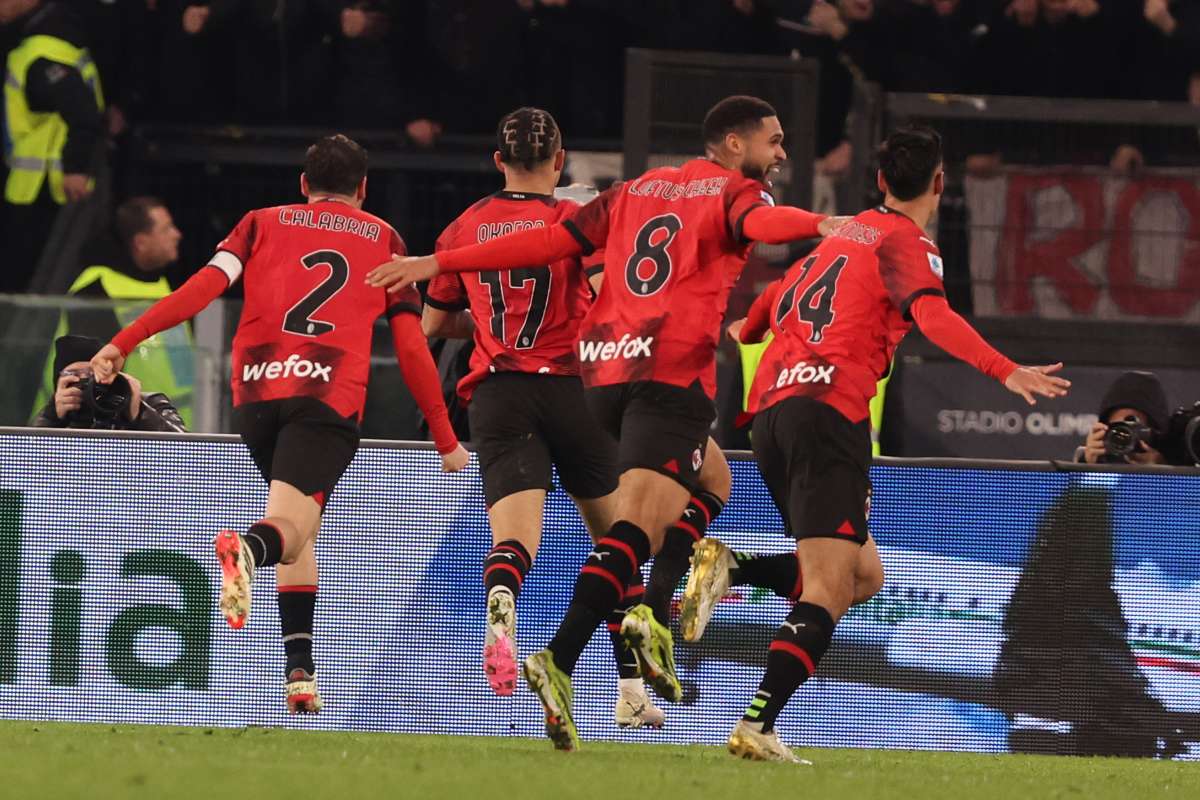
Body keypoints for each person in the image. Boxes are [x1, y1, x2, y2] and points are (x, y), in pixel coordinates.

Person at [368, 94, 847, 750]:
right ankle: (584, 651)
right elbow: (765, 228)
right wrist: (822, 225)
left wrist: (439, 262)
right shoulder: (735, 193)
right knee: (630, 535)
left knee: (702, 485)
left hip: (588, 379)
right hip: (648, 374)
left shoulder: (631, 190)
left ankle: (633, 646)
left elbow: (538, 246)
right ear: (734, 145)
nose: (782, 152)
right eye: (775, 140)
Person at [708, 125, 1069, 762]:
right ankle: (757, 723)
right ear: (938, 183)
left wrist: (748, 327)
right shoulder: (909, 243)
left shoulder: (837, 236)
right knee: (828, 585)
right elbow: (932, 315)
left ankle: (733, 569)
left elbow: (762, 307)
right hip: (828, 414)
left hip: (772, 419)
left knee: (863, 574)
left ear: (878, 182)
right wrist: (1004, 371)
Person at [91, 134, 469, 714]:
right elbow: (413, 347)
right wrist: (445, 437)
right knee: (287, 527)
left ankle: (300, 669)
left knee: (299, 521)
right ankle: (243, 548)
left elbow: (202, 289)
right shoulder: (387, 241)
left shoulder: (258, 222)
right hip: (326, 395)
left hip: (259, 394)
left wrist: (124, 341)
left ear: (303, 185)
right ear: (363, 190)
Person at [420, 107, 663, 729]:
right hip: (575, 392)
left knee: (513, 542)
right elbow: (616, 301)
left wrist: (486, 320)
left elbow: (433, 325)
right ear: (559, 161)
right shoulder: (574, 224)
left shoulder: (463, 227)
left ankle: (502, 601)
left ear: (497, 160)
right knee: (616, 545)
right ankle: (630, 691)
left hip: (500, 393)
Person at [34, 197, 191, 425]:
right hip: (114, 436)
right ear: (140, 242)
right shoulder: (97, 289)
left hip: (169, 431)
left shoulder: (162, 287)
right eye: (166, 229)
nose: (177, 234)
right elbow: (90, 383)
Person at [0, 0, 106, 293]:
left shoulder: (44, 51)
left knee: (33, 282)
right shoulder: (50, 36)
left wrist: (76, 167)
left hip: (49, 190)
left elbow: (83, 116)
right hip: (41, 187)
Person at [33, 334, 185, 431]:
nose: (84, 381)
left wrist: (139, 413)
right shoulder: (55, 414)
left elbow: (188, 457)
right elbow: (24, 467)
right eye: (73, 375)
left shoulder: (151, 403)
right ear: (58, 383)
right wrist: (52, 419)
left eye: (91, 374)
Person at [1077, 371, 1169, 466]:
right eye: (1118, 428)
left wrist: (1160, 471)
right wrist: (1088, 466)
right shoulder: (1094, 460)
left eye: (1135, 428)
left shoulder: (1174, 468)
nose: (1125, 439)